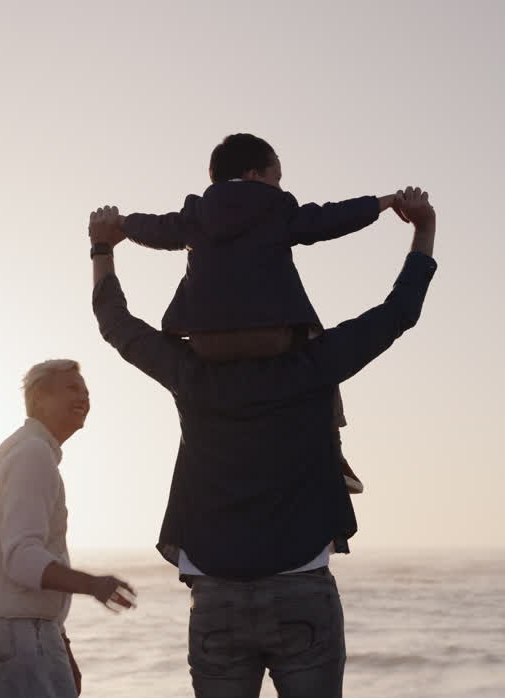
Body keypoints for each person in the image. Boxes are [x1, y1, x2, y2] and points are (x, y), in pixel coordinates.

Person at [88, 187, 438, 698]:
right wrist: (422, 232)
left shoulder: (191, 373)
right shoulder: (312, 366)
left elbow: (116, 324)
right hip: (300, 582)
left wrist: (103, 249)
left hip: (215, 591)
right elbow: (399, 312)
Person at [112, 132, 408, 493]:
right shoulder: (276, 209)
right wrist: (384, 203)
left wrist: (122, 224)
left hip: (205, 342)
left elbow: (156, 229)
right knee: (324, 361)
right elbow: (327, 220)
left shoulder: (196, 215)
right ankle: (333, 452)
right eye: (277, 178)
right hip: (273, 336)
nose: (280, 187)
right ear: (254, 175)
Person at [0, 359, 136, 698]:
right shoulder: (33, 454)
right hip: (14, 628)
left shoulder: (14, 450)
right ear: (38, 399)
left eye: (86, 390)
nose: (84, 397)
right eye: (71, 388)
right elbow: (21, 557)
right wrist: (94, 585)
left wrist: (59, 641)